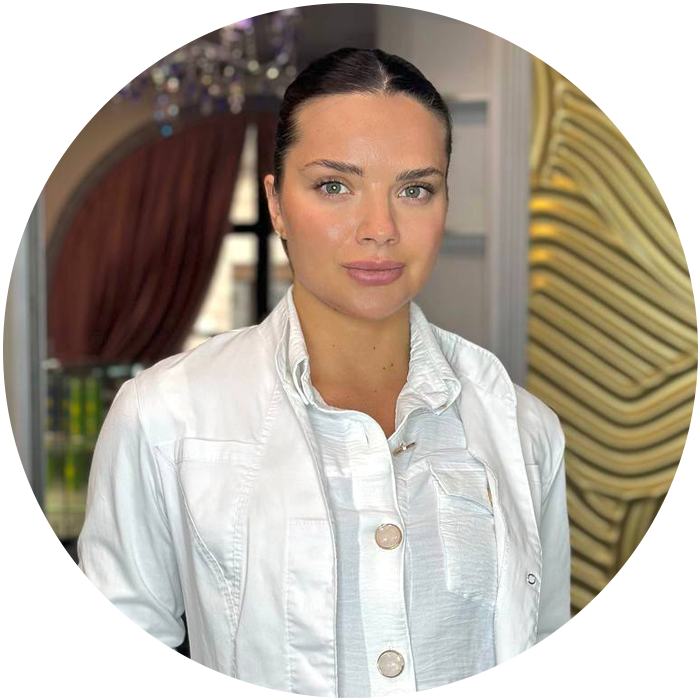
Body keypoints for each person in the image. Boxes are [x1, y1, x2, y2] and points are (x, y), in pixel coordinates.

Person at [59, 47, 585, 698]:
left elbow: (547, 667)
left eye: (415, 189)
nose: (379, 229)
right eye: (335, 186)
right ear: (276, 204)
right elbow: (116, 670)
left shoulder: (521, 427)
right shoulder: (167, 414)